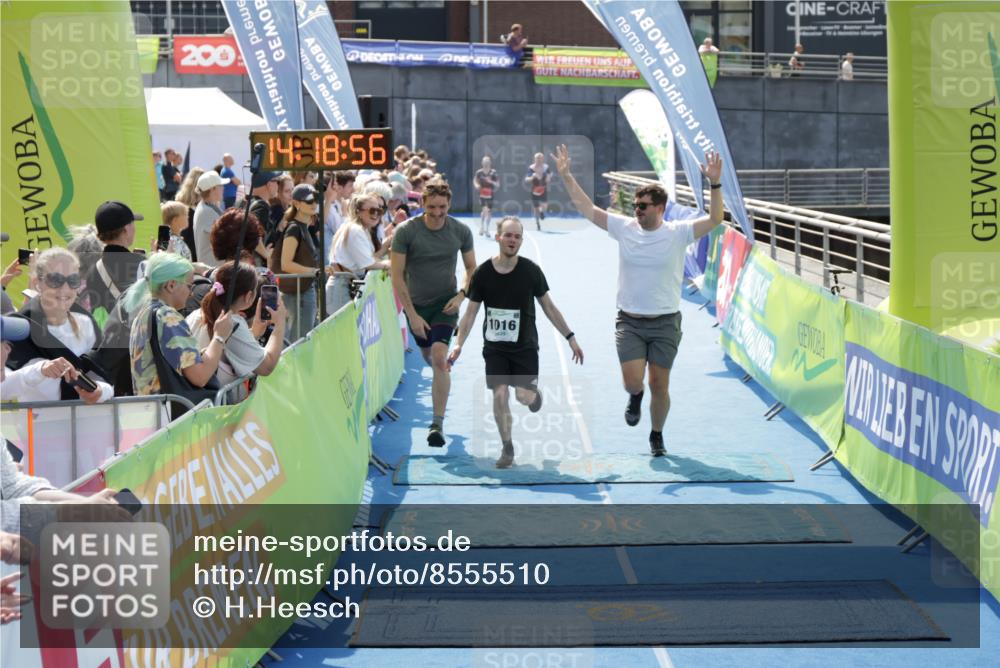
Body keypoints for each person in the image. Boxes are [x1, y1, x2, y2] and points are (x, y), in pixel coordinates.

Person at [554, 143, 724, 457]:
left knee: (660, 384)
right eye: (635, 205)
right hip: (630, 321)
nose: (637, 209)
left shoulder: (678, 232)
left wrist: (714, 183)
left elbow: (715, 219)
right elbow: (588, 209)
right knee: (633, 382)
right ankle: (635, 396)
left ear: (660, 208)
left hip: (665, 322)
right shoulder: (625, 228)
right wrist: (566, 175)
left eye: (643, 205)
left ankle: (656, 435)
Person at [448, 217, 583, 468]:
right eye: (508, 235)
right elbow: (471, 313)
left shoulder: (531, 271)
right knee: (500, 395)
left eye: (517, 236)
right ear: (498, 237)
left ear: (521, 241)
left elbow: (549, 307)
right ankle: (507, 447)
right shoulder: (483, 273)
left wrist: (570, 337)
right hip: (495, 348)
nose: (512, 240)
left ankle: (533, 396)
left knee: (522, 397)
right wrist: (459, 344)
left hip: (525, 347)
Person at [391, 178, 476, 447]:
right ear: (422, 204)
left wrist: (461, 296)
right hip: (416, 305)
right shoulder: (406, 231)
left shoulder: (460, 231)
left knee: (439, 357)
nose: (438, 213)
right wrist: (412, 315)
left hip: (445, 304)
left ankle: (436, 424)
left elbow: (472, 268)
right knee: (429, 355)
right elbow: (396, 274)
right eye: (432, 208)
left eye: (442, 207)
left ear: (449, 204)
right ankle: (443, 373)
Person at [6, 248, 113, 404]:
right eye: (55, 280)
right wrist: (39, 370)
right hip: (39, 420)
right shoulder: (18, 328)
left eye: (73, 280)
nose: (65, 288)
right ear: (37, 283)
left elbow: (105, 375)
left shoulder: (87, 323)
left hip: (89, 418)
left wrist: (100, 391)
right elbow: (3, 388)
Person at [123, 252, 233, 397]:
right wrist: (219, 337)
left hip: (152, 407)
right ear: (171, 285)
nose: (191, 293)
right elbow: (200, 377)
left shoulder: (143, 313)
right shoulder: (167, 316)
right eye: (189, 286)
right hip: (171, 409)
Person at [186, 261, 286, 390]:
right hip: (215, 400)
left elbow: (231, 345)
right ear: (248, 296)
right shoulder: (233, 323)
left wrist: (254, 332)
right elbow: (267, 366)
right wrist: (279, 325)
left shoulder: (199, 312)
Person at [83, 200, 146, 331]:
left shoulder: (92, 271)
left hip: (111, 339)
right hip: (137, 337)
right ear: (126, 229)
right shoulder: (141, 265)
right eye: (133, 223)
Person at [327, 193, 391, 313]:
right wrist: (391, 264)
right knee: (345, 326)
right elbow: (368, 263)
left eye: (379, 211)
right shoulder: (356, 230)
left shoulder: (357, 228)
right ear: (358, 212)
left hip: (345, 285)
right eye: (372, 211)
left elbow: (370, 259)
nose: (376, 214)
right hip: (343, 287)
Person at [275, 184, 320, 340]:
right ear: (296, 203)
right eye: (309, 200)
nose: (314, 203)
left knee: (303, 339)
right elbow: (286, 264)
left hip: (304, 291)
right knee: (299, 341)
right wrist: (313, 271)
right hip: (298, 294)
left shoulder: (303, 227)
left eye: (316, 199)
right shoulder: (294, 228)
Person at [192, 170, 230, 267]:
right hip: (213, 269)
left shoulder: (208, 206)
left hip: (215, 268)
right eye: (220, 186)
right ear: (213, 189)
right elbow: (227, 237)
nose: (223, 188)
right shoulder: (206, 211)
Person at [474, 156, 500, 237]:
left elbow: (497, 184)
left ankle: (487, 229)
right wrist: (476, 185)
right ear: (482, 163)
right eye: (484, 162)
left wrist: (491, 181)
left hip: (490, 195)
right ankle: (482, 227)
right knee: (484, 210)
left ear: (490, 163)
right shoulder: (479, 172)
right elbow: (475, 181)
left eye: (487, 162)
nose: (486, 163)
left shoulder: (493, 172)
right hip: (482, 194)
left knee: (489, 212)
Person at [525, 152, 551, 231]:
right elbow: (527, 179)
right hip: (535, 190)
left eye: (540, 158)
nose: (539, 160)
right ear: (535, 159)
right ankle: (537, 223)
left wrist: (547, 178)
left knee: (545, 206)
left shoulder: (546, 167)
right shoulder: (531, 168)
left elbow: (548, 178)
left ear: (543, 159)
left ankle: (542, 212)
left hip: (543, 189)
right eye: (537, 158)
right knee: (536, 208)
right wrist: (532, 177)